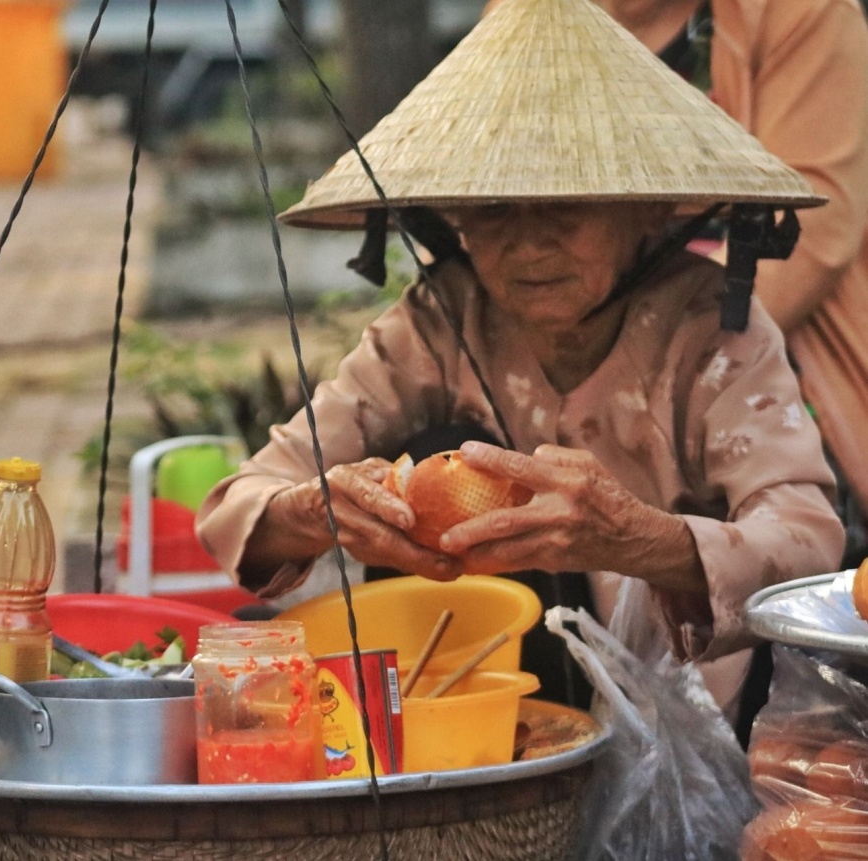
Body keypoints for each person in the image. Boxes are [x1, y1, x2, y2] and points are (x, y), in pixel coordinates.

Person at [196, 0, 846, 729]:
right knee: (433, 456)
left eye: (568, 204)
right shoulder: (443, 319)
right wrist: (317, 509)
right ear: (459, 218)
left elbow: (807, 541)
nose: (530, 245)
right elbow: (245, 498)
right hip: (505, 694)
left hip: (694, 706)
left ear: (648, 208)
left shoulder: (712, 333)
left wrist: (641, 538)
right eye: (497, 208)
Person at [484, 0, 868, 565]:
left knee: (770, 534)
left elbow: (813, 228)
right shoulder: (521, 10)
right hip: (560, 345)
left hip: (747, 344)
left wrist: (637, 366)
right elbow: (476, 174)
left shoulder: (802, 10)